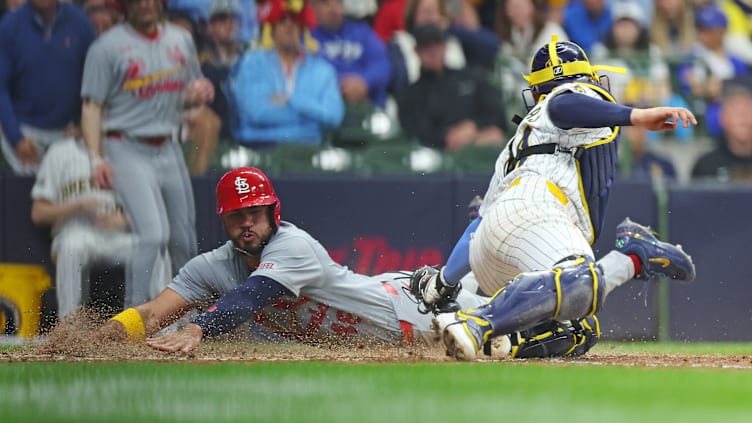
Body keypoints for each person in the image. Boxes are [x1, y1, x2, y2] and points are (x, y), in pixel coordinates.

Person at [409, 36, 697, 360]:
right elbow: (565, 103)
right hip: (536, 210)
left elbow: (481, 226)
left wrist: (444, 281)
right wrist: (638, 116)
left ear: (533, 91)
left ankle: (504, 338)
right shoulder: (564, 99)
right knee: (581, 280)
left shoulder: (515, 147)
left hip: (492, 247)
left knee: (578, 326)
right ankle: (478, 324)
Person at [94, 167, 487, 350]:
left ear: (272, 213)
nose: (247, 223)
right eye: (237, 215)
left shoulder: (291, 245)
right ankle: (479, 232)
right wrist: (97, 339)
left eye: (256, 212)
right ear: (223, 220)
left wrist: (197, 328)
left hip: (410, 312)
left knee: (520, 327)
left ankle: (484, 228)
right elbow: (150, 315)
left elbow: (249, 297)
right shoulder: (210, 267)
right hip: (384, 309)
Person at [80, 0, 214, 308]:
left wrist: (196, 96)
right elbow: (92, 105)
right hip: (125, 144)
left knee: (183, 240)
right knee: (153, 235)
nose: (147, 4)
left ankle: (187, 316)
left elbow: (183, 98)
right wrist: (95, 157)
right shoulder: (106, 47)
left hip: (168, 145)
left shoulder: (180, 39)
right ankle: (135, 317)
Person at [30, 137, 135, 319]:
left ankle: (158, 327)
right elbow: (38, 213)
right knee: (72, 246)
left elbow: (157, 212)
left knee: (154, 246)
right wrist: (78, 206)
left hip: (120, 238)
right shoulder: (60, 151)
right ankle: (69, 326)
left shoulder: (129, 150)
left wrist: (125, 219)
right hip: (77, 232)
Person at [229, 0, 344, 147]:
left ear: (302, 28)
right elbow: (256, 112)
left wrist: (290, 99)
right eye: (282, 21)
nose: (289, 27)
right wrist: (311, 120)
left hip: (306, 150)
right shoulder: (252, 63)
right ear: (272, 29)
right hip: (259, 147)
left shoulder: (323, 70)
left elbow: (334, 116)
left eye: (295, 22)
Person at [0, 0, 95, 174]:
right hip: (24, 131)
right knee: (27, 195)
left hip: (68, 132)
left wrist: (83, 126)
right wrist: (16, 138)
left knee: (71, 191)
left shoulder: (80, 21)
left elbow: (93, 81)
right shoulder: (9, 25)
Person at [396, 24, 506, 151]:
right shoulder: (409, 94)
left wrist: (473, 126)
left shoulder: (471, 77)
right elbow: (417, 132)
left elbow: (498, 114)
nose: (433, 51)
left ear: (445, 46)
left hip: (480, 146)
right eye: (426, 46)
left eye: (437, 44)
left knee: (495, 136)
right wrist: (451, 137)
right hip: (439, 155)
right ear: (417, 50)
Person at [309, 0, 392, 109]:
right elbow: (308, 74)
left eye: (338, 3)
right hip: (325, 108)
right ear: (312, 8)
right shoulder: (306, 38)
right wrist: (340, 85)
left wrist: (364, 81)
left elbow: (383, 64)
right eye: (325, 3)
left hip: (370, 105)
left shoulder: (362, 31)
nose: (334, 9)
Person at [692, 76, 752, 181]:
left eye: (748, 110)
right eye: (736, 111)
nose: (743, 117)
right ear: (722, 118)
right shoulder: (706, 166)